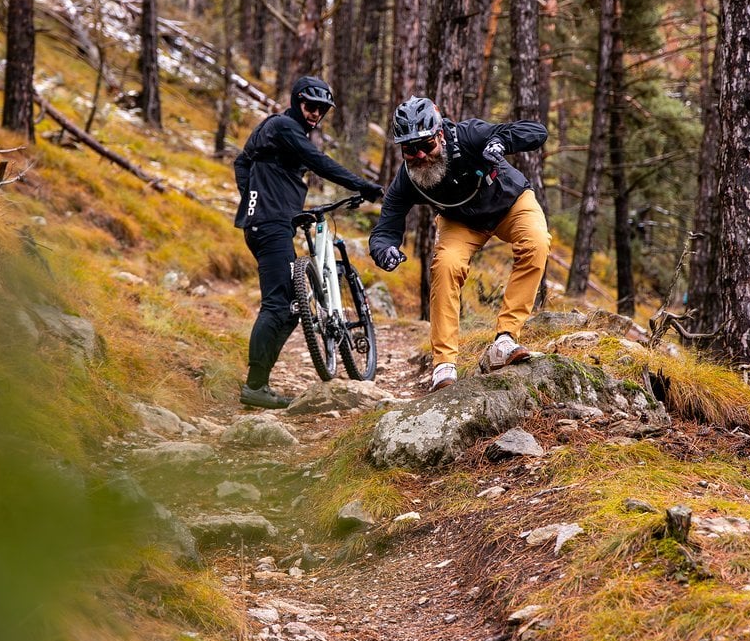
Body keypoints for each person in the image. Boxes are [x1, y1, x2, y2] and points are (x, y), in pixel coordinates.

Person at [369, 96, 550, 391]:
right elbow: (385, 228)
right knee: (445, 266)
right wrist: (384, 250)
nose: (420, 156)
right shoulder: (408, 179)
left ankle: (505, 339)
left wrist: (500, 143)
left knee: (537, 243)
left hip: (510, 203)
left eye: (426, 145)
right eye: (409, 150)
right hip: (461, 222)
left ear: (440, 134)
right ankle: (443, 365)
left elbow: (536, 132)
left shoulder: (469, 135)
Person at [234, 76, 383, 409]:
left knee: (290, 307)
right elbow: (318, 162)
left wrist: (253, 198)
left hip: (267, 222)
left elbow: (242, 161)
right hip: (270, 225)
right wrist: (363, 186)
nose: (316, 114)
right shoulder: (285, 127)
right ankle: (255, 386)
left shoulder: (272, 129)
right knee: (277, 305)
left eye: (322, 109)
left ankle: (259, 384)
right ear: (296, 102)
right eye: (310, 106)